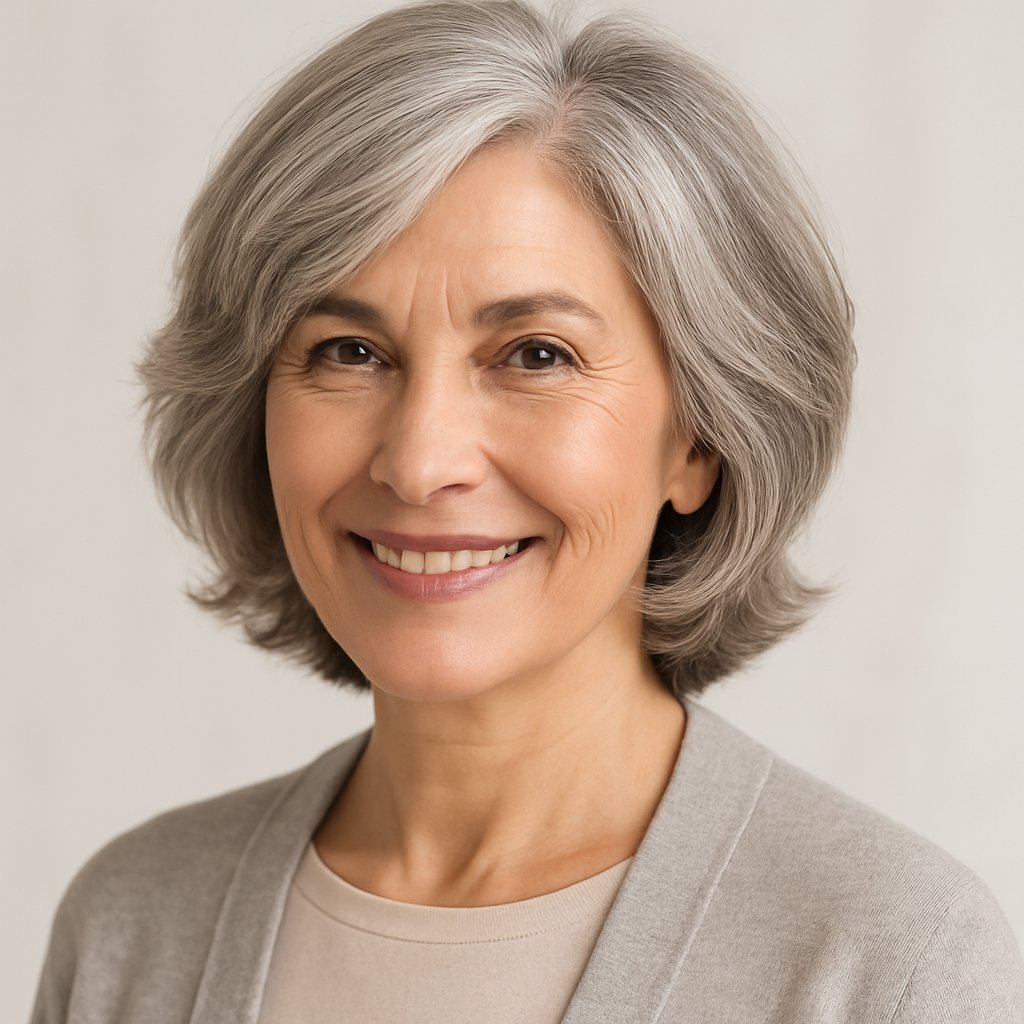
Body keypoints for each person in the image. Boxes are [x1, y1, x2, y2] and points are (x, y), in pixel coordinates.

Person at [30, 1, 1024, 1021]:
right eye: (348, 351)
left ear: (700, 437)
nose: (419, 463)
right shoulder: (134, 928)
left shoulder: (888, 960)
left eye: (535, 356)